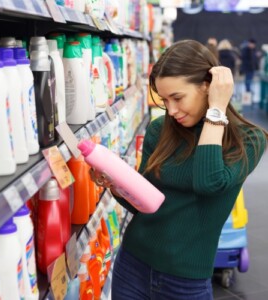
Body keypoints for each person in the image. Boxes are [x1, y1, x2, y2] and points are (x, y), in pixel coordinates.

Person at [89, 39, 268, 300]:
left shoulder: (247, 139)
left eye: (177, 97)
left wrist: (216, 110)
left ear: (209, 87)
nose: (171, 110)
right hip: (133, 264)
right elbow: (146, 202)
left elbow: (209, 183)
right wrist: (115, 184)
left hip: (186, 281)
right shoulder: (158, 130)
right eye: (164, 100)